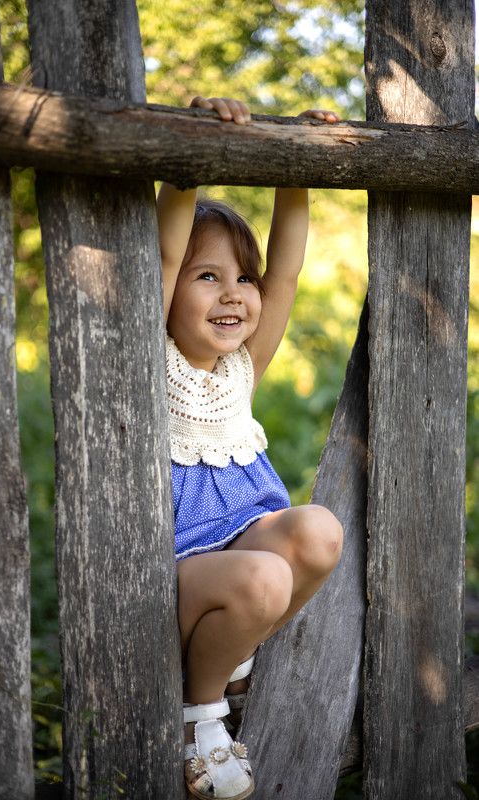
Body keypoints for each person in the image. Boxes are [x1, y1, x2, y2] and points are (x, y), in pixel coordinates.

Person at [157, 95, 344, 800]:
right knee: (264, 578)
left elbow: (288, 273)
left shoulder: (240, 369)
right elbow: (165, 248)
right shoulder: (151, 363)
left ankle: (235, 653)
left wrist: (295, 165)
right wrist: (190, 152)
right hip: (174, 577)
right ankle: (199, 716)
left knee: (319, 530)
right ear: (169, 293)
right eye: (208, 277)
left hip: (241, 557)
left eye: (241, 277)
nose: (233, 293)